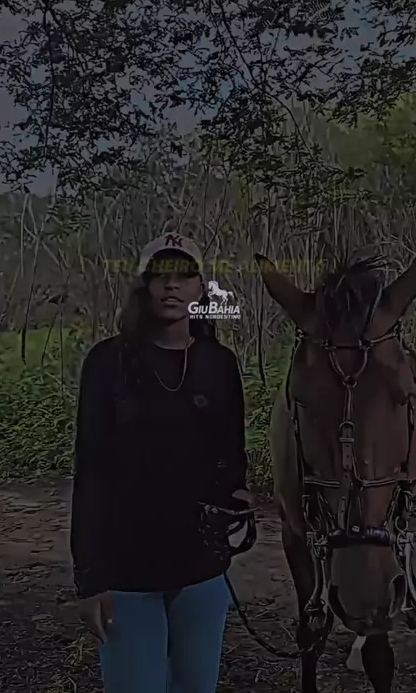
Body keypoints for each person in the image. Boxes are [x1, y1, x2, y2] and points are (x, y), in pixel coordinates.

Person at [70, 233, 253, 693]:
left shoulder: (219, 364)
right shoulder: (108, 362)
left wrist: (235, 498)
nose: (171, 286)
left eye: (184, 276)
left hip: (201, 570)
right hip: (127, 571)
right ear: (144, 287)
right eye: (160, 276)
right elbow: (90, 473)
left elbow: (232, 458)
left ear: (200, 289)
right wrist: (90, 579)